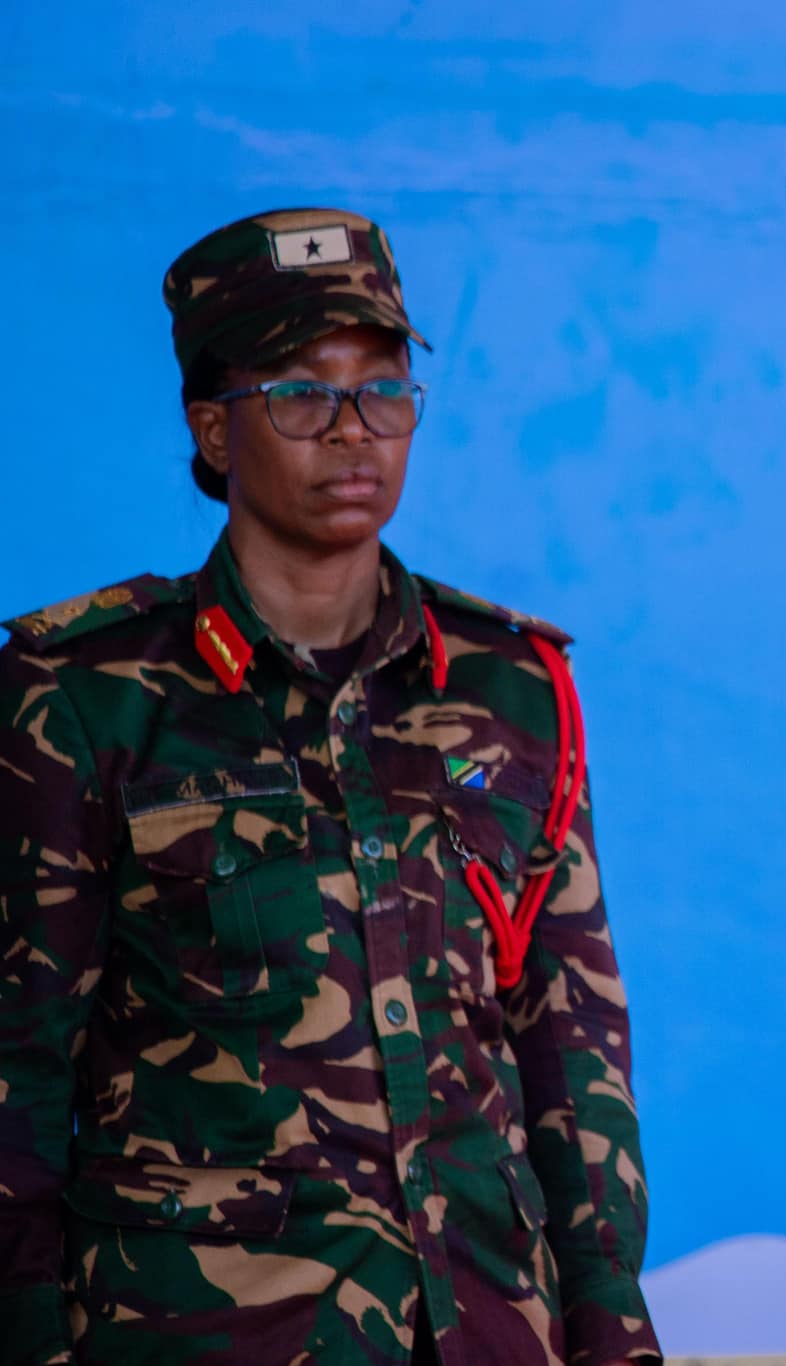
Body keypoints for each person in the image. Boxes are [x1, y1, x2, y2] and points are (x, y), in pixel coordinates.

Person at [0, 209, 659, 1366]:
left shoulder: (511, 684)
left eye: (382, 391)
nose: (353, 431)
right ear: (214, 428)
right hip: (210, 1331)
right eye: (302, 393)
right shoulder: (84, 694)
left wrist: (611, 1329)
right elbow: (19, 1074)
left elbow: (571, 1044)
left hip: (486, 1326)